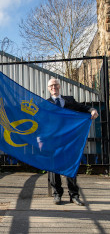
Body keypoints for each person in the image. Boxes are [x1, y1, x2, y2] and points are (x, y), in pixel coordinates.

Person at [47, 78, 98, 206]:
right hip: (53, 140)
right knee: (53, 168)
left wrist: (92, 110)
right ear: (48, 88)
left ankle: (74, 195)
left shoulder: (69, 100)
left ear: (60, 86)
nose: (54, 87)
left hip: (69, 139)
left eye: (56, 85)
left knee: (71, 165)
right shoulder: (45, 104)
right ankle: (57, 194)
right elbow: (41, 123)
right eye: (51, 85)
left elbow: (82, 107)